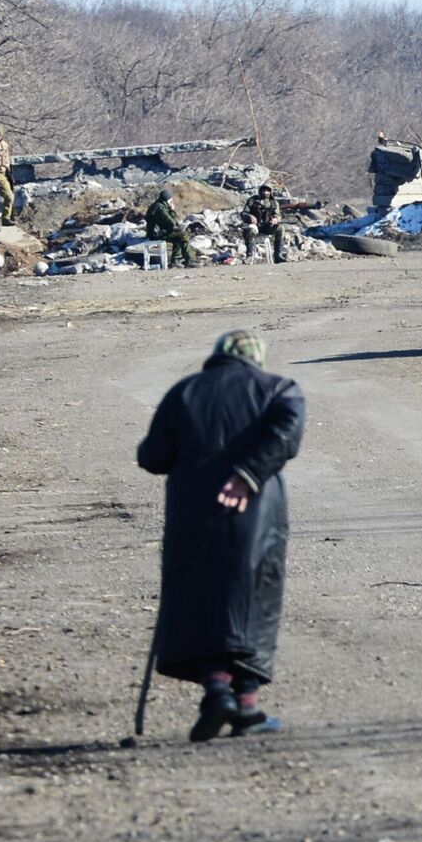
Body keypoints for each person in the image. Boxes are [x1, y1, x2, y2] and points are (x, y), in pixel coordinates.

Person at [137, 330, 306, 741]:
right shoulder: (280, 389)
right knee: (255, 600)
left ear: (217, 356)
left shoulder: (184, 392)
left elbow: (152, 456)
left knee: (202, 597)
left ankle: (217, 691)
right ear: (256, 359)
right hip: (258, 515)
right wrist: (248, 475)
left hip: (192, 514)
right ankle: (245, 703)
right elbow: (287, 432)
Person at [144, 189, 199, 268]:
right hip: (156, 234)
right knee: (183, 235)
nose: (171, 200)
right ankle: (189, 260)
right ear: (166, 200)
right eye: (170, 199)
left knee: (179, 235)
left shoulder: (158, 206)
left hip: (158, 232)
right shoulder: (160, 208)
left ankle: (175, 260)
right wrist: (172, 210)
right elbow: (172, 223)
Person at [241, 184, 286, 263]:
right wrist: (250, 216)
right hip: (255, 225)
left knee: (280, 228)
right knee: (250, 230)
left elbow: (278, 215)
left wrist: (275, 219)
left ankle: (278, 255)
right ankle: (249, 255)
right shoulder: (252, 200)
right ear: (260, 191)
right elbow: (243, 213)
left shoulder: (274, 202)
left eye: (267, 190)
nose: (265, 193)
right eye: (263, 190)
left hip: (268, 226)